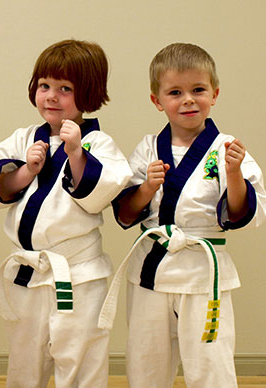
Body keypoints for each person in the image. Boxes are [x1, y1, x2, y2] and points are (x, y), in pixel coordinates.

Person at [100, 43, 266, 388]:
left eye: (198, 90)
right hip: (152, 270)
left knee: (210, 365)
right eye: (175, 92)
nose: (188, 99)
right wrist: (146, 188)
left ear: (214, 94)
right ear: (157, 101)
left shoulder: (227, 148)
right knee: (146, 363)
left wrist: (233, 173)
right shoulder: (148, 147)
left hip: (204, 273)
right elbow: (126, 212)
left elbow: (240, 214)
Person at [0, 39, 132, 388]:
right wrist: (26, 171)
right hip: (29, 273)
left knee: (79, 359)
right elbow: (0, 186)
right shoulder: (23, 138)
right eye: (45, 86)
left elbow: (101, 192)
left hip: (78, 275)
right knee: (24, 360)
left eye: (65, 89)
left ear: (88, 95)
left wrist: (76, 151)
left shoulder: (98, 144)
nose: (51, 96)